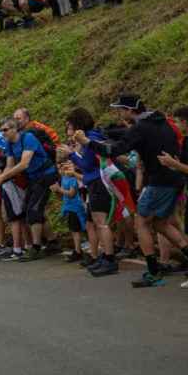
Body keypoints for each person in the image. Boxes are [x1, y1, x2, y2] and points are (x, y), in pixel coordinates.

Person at [74, 95, 188, 287]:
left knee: (141, 223)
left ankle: (153, 272)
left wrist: (87, 142)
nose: (120, 114)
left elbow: (113, 151)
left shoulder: (141, 128)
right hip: (175, 178)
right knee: (160, 223)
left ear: (130, 110)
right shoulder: (162, 121)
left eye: (121, 110)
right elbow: (128, 136)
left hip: (158, 181)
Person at [58, 107, 118, 276]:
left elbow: (87, 164)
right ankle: (105, 255)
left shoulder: (90, 138)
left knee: (102, 222)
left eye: (70, 125)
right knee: (97, 223)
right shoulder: (89, 138)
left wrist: (71, 155)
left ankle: (109, 258)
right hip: (93, 183)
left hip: (99, 182)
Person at [0, 118, 58, 261]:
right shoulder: (9, 144)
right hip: (34, 178)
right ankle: (52, 241)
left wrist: (2, 178)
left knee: (33, 210)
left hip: (46, 174)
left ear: (14, 129)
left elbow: (24, 164)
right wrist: (0, 177)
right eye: (1, 130)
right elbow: (10, 165)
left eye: (5, 130)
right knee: (30, 209)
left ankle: (36, 248)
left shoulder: (28, 138)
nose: (3, 133)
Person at [158, 106, 188, 288]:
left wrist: (174, 164)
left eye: (177, 121)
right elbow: (186, 166)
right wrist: (173, 164)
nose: (176, 125)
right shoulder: (186, 141)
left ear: (184, 121)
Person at [53, 161, 89, 262]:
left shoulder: (73, 179)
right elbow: (62, 196)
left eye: (66, 167)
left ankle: (79, 251)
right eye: (61, 168)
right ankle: (78, 250)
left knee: (77, 229)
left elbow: (71, 194)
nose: (63, 170)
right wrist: (56, 191)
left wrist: (59, 189)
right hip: (69, 207)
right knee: (73, 230)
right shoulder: (63, 179)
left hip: (76, 208)